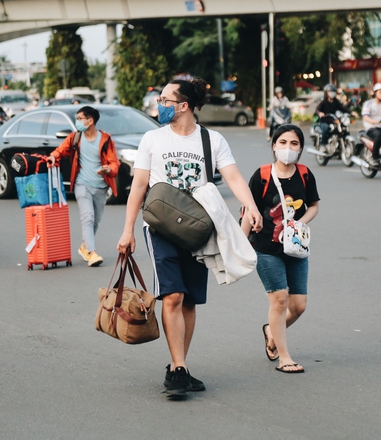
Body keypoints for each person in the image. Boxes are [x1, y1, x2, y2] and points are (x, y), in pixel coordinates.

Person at [116, 78, 263, 400]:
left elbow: (234, 177)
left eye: (166, 99)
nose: (160, 104)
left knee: (191, 300)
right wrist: (128, 230)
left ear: (183, 105)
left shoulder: (211, 140)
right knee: (173, 296)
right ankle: (179, 368)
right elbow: (138, 186)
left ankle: (177, 366)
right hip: (160, 227)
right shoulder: (152, 139)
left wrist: (250, 207)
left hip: (197, 228)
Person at [241, 124, 319, 374]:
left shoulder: (305, 174)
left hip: (295, 246)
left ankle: (271, 331)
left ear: (300, 148)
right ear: (274, 146)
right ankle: (285, 357)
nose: (288, 148)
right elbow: (248, 211)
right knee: (280, 299)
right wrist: (241, 245)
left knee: (299, 306)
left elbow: (314, 206)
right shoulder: (262, 175)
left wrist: (298, 224)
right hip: (264, 246)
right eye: (283, 142)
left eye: (294, 144)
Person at [47, 106, 120, 267]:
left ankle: (85, 246)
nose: (77, 121)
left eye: (80, 118)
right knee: (88, 217)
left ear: (90, 120)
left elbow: (114, 163)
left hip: (101, 186)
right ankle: (92, 253)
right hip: (82, 183)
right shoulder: (76, 137)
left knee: (96, 221)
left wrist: (108, 169)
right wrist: (52, 157)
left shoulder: (106, 140)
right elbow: (61, 150)